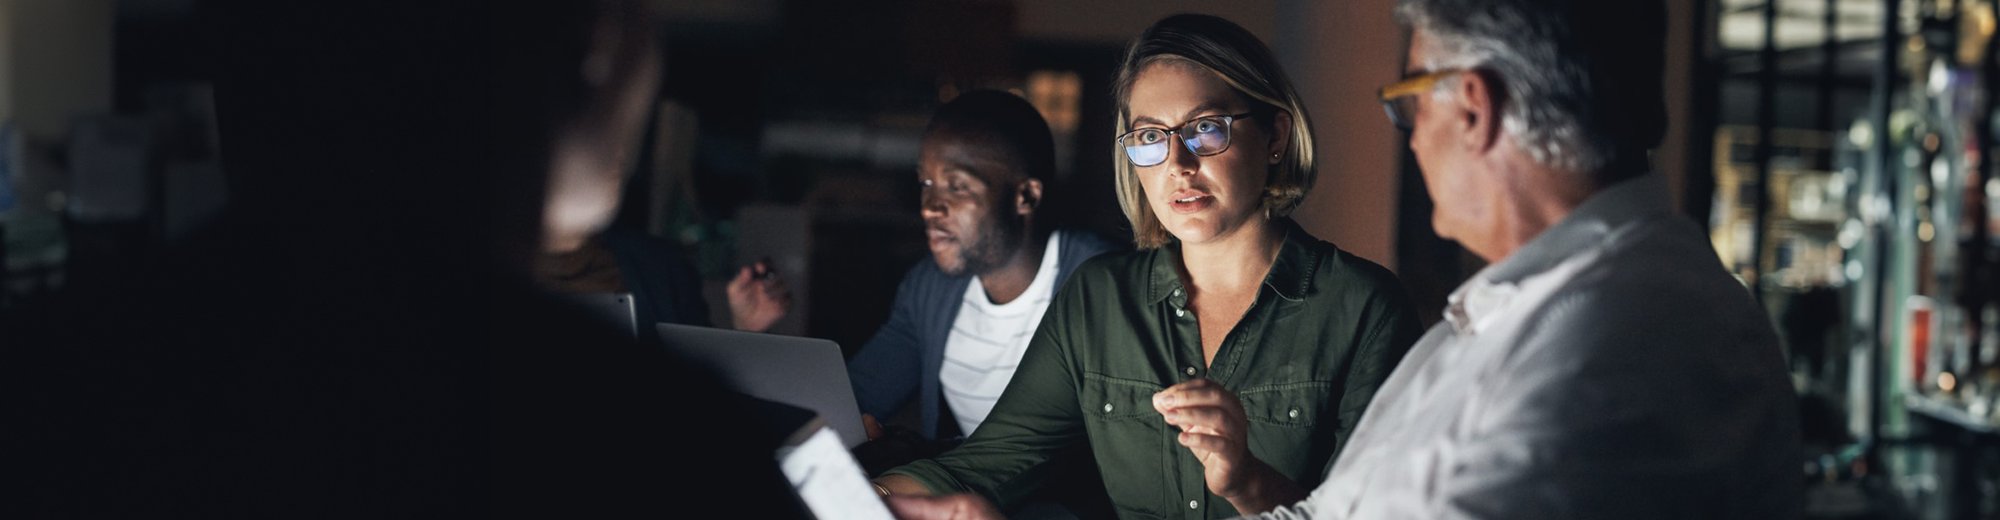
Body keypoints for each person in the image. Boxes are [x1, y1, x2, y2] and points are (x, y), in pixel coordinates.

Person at [1239, 0, 1799, 517]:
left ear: (1473, 108)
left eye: (1411, 101)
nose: (1412, 140)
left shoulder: (1625, 337)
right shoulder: (1508, 313)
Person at [874, 14, 1422, 519]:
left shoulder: (1365, 308)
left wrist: (1250, 483)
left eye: (1205, 128)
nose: (1177, 165)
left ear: (1275, 136)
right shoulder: (1100, 298)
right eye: (1150, 137)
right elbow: (986, 464)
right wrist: (860, 498)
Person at [847, 90, 1120, 452]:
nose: (929, 208)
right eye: (925, 184)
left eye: (957, 186)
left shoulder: (1102, 287)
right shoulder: (929, 288)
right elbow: (856, 397)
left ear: (1026, 197)